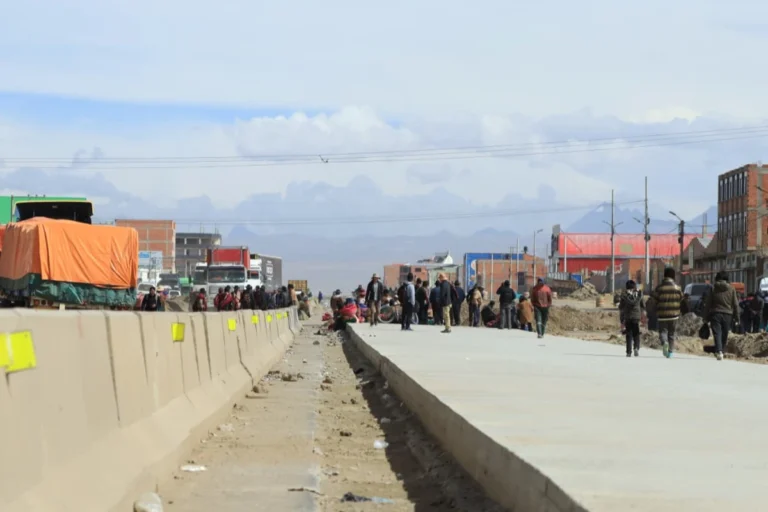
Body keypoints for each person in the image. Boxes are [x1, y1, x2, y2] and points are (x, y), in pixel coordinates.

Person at [703, 271, 740, 361]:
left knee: (717, 333)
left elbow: (708, 304)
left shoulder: (713, 288)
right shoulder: (732, 289)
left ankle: (719, 351)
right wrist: (737, 317)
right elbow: (735, 304)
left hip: (715, 313)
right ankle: (721, 351)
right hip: (728, 315)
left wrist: (705, 317)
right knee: (725, 333)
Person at [651, 267, 684, 358]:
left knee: (663, 331)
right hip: (674, 315)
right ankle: (670, 352)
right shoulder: (678, 287)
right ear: (673, 276)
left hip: (662, 314)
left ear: (664, 276)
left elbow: (654, 299)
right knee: (672, 333)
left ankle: (664, 342)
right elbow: (681, 298)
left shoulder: (659, 287)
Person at [619, 280, 644, 357]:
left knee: (628, 334)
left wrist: (622, 319)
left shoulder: (624, 295)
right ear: (634, 287)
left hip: (628, 316)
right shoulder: (639, 295)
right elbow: (642, 306)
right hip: (636, 317)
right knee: (636, 333)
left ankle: (628, 352)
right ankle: (636, 347)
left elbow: (621, 307)